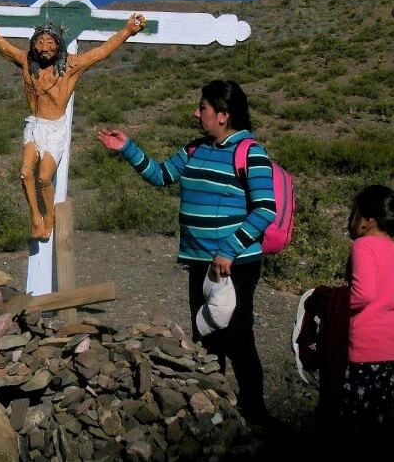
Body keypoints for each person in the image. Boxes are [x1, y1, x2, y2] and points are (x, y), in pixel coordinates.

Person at [96, 79, 276, 424]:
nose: (197, 113)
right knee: (205, 335)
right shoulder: (196, 149)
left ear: (223, 115)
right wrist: (128, 148)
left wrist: (229, 250)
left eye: (203, 108)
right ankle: (215, 410)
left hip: (233, 264)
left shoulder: (250, 152)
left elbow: (266, 208)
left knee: (237, 336)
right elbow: (162, 175)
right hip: (200, 262)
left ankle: (255, 414)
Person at [0, 6, 145, 241]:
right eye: (39, 42)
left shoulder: (71, 66)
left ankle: (49, 217)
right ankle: (35, 218)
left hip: (54, 129)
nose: (44, 48)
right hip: (34, 125)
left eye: (49, 42)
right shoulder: (26, 62)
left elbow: (102, 51)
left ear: (58, 44)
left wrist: (127, 31)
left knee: (44, 178)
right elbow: (2, 46)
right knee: (24, 173)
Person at [339, 184, 394, 434]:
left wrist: (336, 305)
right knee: (377, 417)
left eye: (356, 212)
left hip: (365, 348)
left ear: (369, 219)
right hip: (393, 349)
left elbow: (363, 294)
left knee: (353, 417)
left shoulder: (363, 246)